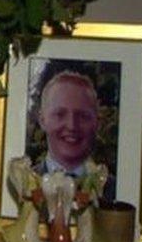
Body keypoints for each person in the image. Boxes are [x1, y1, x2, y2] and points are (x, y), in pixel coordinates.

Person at [33, 71, 115, 201]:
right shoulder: (27, 185)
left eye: (82, 116)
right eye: (60, 114)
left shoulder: (114, 190)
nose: (71, 126)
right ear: (42, 120)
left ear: (97, 122)